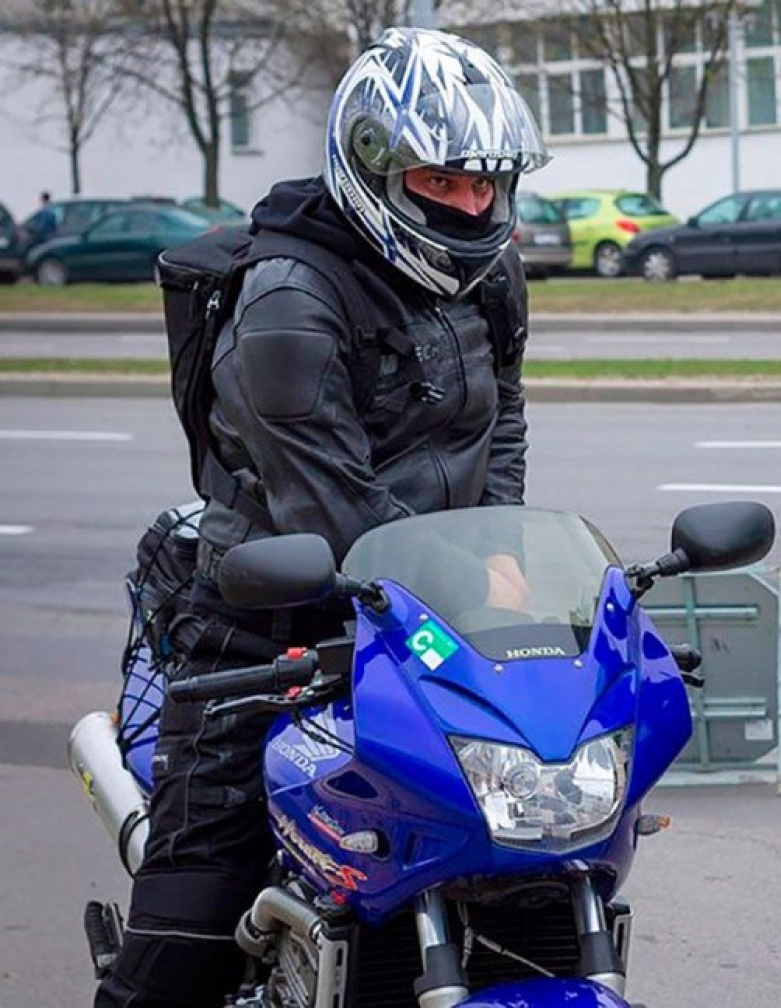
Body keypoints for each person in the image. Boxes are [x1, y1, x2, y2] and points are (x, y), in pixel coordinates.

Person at [96, 27, 548, 1008]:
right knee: (186, 930)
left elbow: (502, 419)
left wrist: (502, 549)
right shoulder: (288, 299)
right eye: (444, 183)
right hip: (269, 617)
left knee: (536, 865)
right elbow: (331, 504)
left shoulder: (489, 276)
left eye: (488, 184)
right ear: (375, 168)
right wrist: (476, 580)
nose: (473, 205)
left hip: (433, 611)